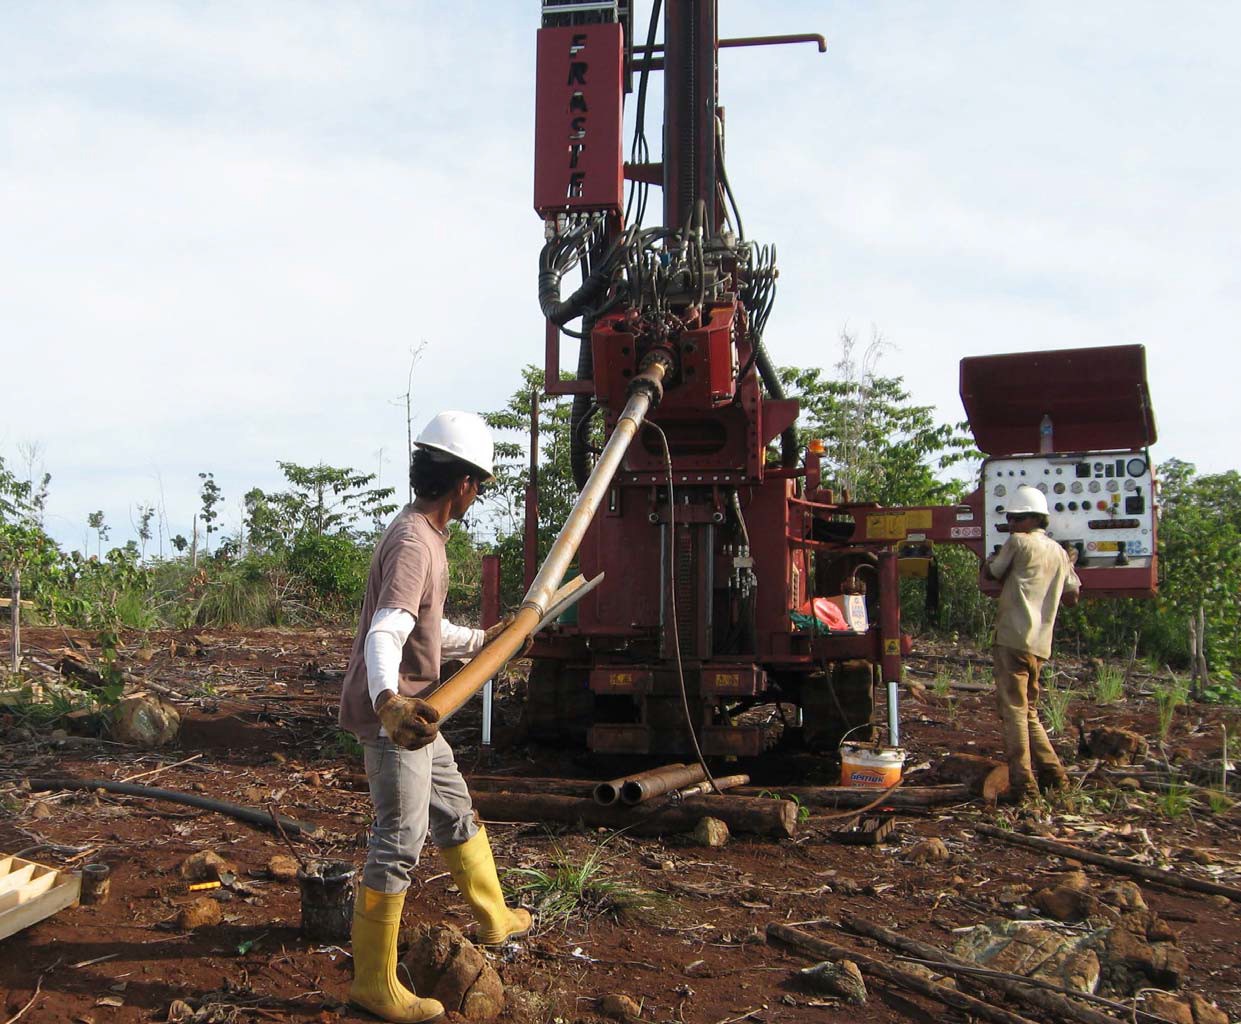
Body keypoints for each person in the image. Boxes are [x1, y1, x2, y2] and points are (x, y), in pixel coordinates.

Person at [339, 410, 532, 1024]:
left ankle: (494, 918)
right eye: (480, 486)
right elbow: (387, 631)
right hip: (401, 720)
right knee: (398, 842)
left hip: (424, 716)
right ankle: (373, 985)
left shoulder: (425, 536)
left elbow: (425, 629)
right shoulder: (413, 542)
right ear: (466, 484)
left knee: (453, 809)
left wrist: (483, 639)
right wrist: (387, 703)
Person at [984, 484, 1081, 802]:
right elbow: (1072, 595)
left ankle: (1024, 785)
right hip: (1039, 644)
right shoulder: (1059, 552)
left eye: (1013, 518)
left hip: (1012, 638)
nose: (1010, 524)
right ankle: (1055, 776)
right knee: (1030, 712)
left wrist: (990, 559)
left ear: (1027, 519)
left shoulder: (1018, 542)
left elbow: (995, 572)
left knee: (1013, 710)